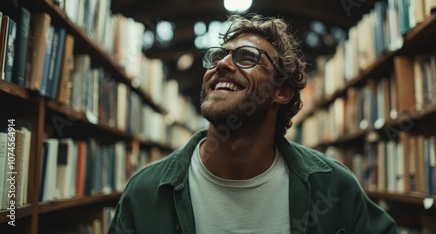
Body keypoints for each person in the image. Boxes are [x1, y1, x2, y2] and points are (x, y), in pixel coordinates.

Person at [108, 14, 397, 234]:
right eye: (218, 55)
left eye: (247, 57)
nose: (222, 64)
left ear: (281, 92)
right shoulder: (146, 192)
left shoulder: (334, 188)